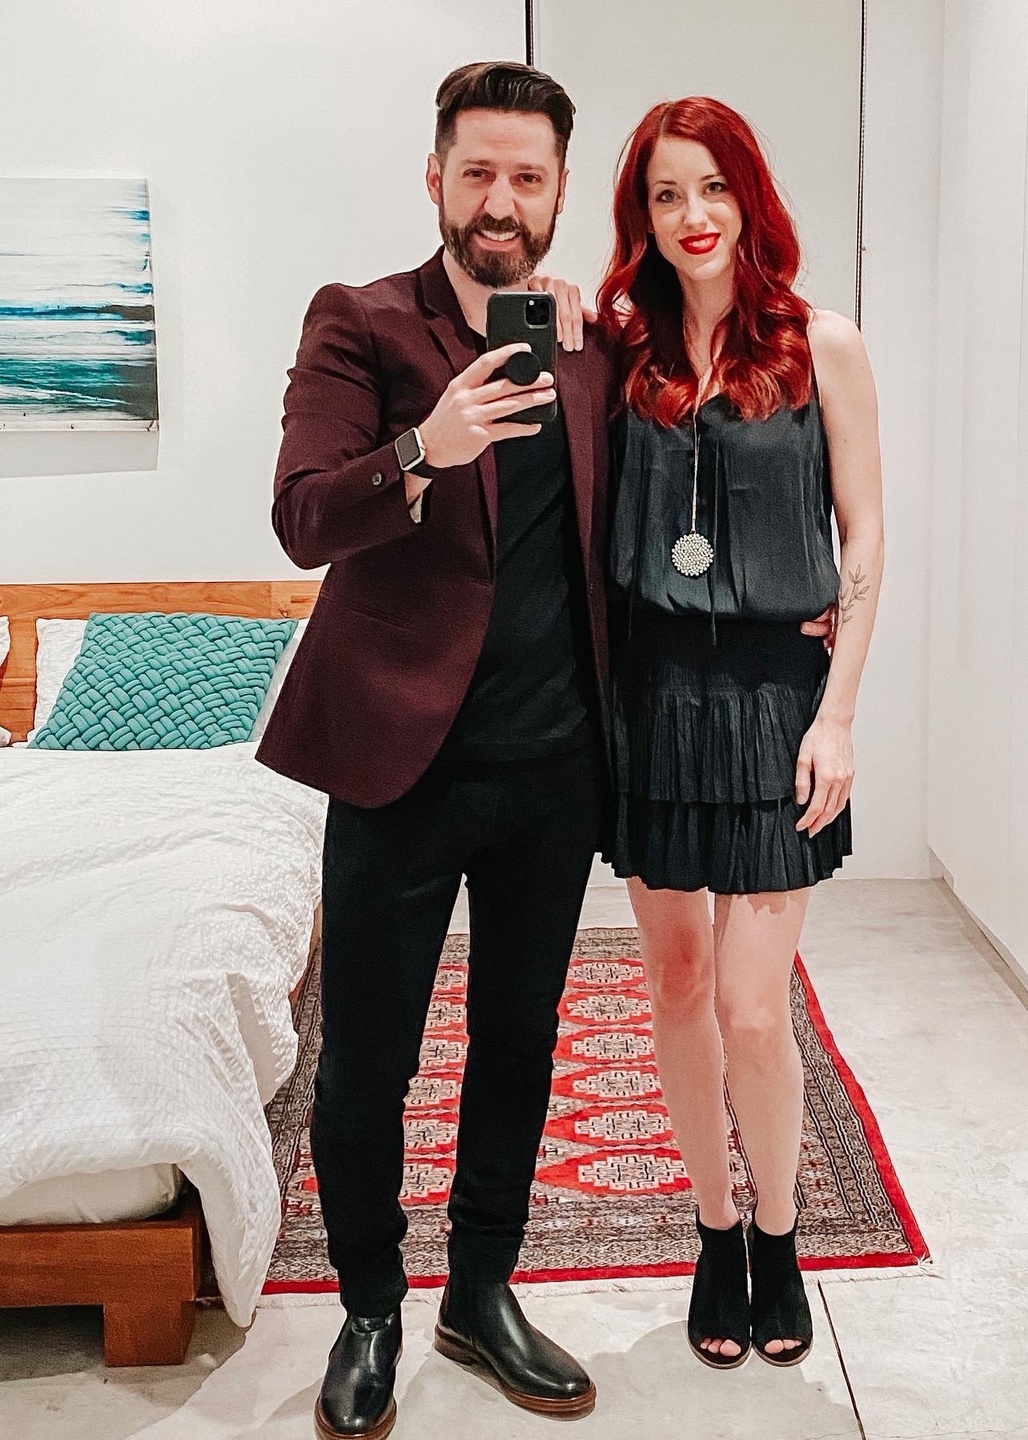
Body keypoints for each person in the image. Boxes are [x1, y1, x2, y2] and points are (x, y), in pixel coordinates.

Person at [256, 61, 619, 1440]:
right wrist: (427, 445)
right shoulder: (359, 323)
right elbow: (302, 517)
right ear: (435, 178)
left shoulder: (587, 344)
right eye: (477, 172)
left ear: (560, 191)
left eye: (527, 176)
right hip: (397, 764)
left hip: (553, 769)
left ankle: (480, 1292)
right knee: (369, 1061)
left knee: (519, 1041)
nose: (500, 201)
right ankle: (369, 1309)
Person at [597, 96, 884, 1369]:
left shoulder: (824, 347)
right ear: (643, 217)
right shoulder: (622, 355)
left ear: (749, 197)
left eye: (711, 187)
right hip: (653, 700)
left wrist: (840, 713)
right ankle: (714, 1233)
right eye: (666, 194)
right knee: (673, 985)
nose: (692, 215)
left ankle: (780, 1234)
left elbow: (864, 540)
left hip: (777, 703)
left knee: (753, 1008)